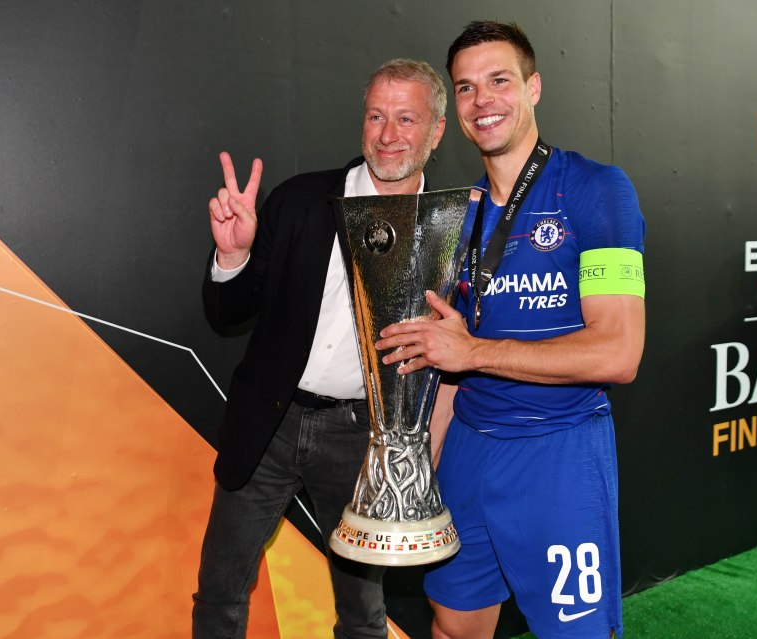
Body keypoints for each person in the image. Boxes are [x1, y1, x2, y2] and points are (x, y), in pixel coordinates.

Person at [375, 22, 646, 639]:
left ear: (534, 87)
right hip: (470, 447)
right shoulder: (455, 213)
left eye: (499, 80)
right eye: (466, 87)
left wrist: (474, 351)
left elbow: (619, 352)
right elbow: (446, 356)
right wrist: (424, 467)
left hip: (560, 450)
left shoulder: (596, 190)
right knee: (452, 624)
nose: (482, 100)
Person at [192, 58, 447, 639]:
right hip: (268, 425)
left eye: (406, 119)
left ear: (436, 130)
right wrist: (232, 257)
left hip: (362, 439)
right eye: (376, 116)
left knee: (362, 614)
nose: (387, 135)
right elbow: (227, 313)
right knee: (220, 592)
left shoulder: (449, 229)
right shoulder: (301, 200)